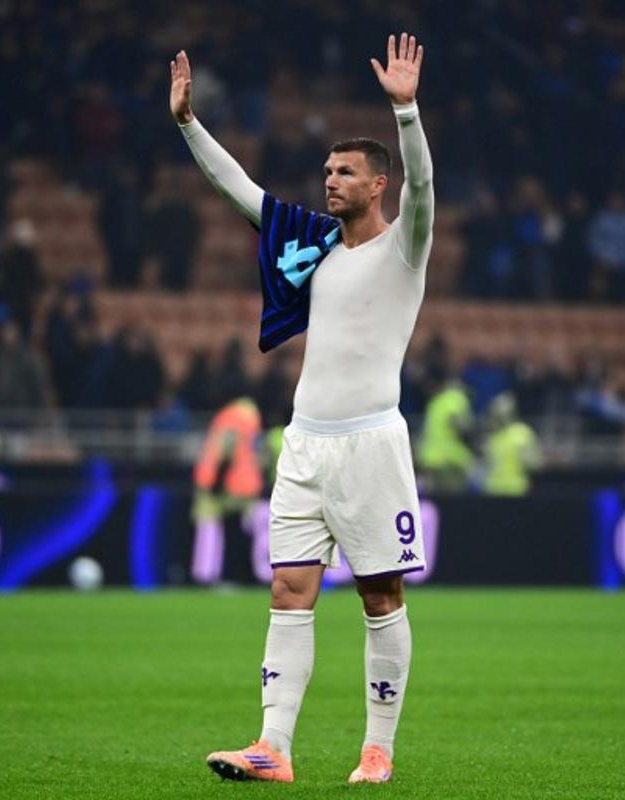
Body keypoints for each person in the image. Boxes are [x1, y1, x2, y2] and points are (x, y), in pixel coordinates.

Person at [171, 32, 433, 784]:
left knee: (380, 596)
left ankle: (377, 747)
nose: (330, 181)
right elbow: (240, 191)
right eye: (326, 170)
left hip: (371, 446)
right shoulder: (314, 248)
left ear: (377, 185)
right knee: (288, 589)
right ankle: (272, 749)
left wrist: (406, 114)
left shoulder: (404, 249)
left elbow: (426, 186)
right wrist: (189, 123)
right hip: (305, 445)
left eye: (346, 171)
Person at [191, 396, 264, 585]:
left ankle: (208, 576)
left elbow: (225, 451)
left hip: (221, 484)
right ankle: (239, 574)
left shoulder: (228, 420)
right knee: (238, 531)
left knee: (212, 530)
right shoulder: (249, 421)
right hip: (243, 486)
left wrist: (216, 482)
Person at [417, 376, 474, 493]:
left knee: (435, 500)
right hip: (449, 459)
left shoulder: (435, 401)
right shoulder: (456, 398)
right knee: (452, 501)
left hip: (430, 457)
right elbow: (457, 423)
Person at [482, 392, 543, 496]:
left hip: (516, 491)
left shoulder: (523, 433)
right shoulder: (491, 437)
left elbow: (535, 464)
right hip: (493, 491)